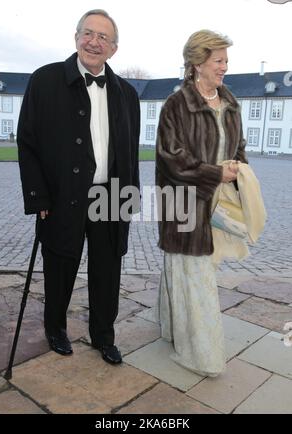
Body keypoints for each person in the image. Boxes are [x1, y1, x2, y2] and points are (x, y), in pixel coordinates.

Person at [17, 9, 140, 365]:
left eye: (103, 37)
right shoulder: (44, 80)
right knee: (59, 266)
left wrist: (128, 198)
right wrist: (38, 195)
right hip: (62, 196)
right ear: (76, 38)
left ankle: (104, 335)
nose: (94, 42)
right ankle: (55, 328)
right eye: (88, 33)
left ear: (114, 49)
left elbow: (129, 153)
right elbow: (27, 142)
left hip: (110, 196)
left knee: (107, 270)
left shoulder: (127, 94)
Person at [156, 30, 247, 377]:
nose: (225, 66)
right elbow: (171, 159)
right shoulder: (176, 105)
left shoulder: (230, 101)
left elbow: (238, 145)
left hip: (217, 201)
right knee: (194, 275)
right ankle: (201, 355)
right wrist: (215, 173)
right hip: (183, 203)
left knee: (183, 270)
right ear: (197, 63)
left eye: (226, 60)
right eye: (219, 60)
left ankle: (170, 328)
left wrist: (238, 169)